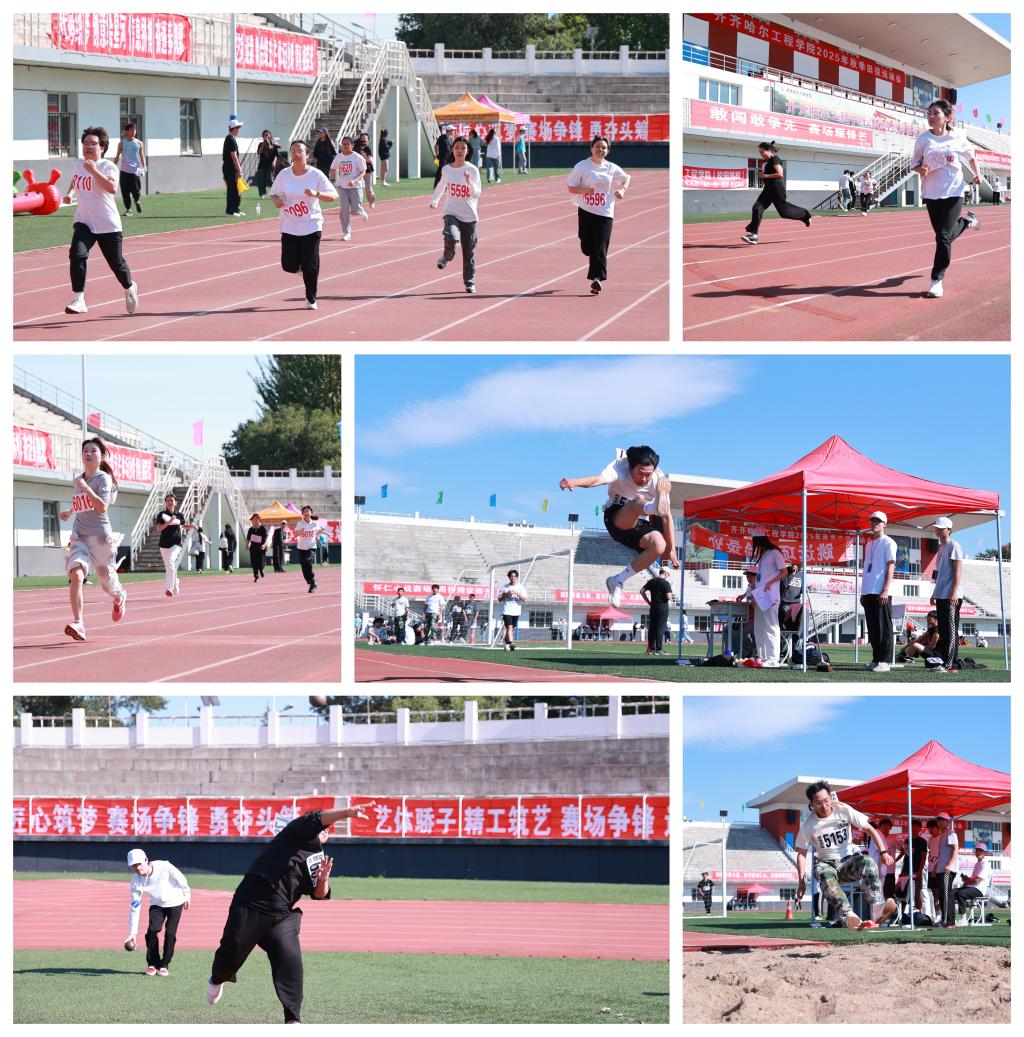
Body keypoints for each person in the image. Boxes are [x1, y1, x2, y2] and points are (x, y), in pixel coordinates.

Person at [208, 803, 375, 1022]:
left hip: (282, 914)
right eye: (324, 826)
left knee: (290, 959)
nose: (326, 830)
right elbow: (317, 818)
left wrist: (323, 880)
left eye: (328, 830)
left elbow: (319, 894)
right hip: (251, 903)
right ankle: (217, 978)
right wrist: (346, 813)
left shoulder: (319, 857)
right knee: (231, 954)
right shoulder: (294, 833)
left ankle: (292, 1018)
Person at [560, 445, 676, 606]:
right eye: (640, 474)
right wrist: (575, 482)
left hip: (637, 523)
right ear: (630, 467)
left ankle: (618, 580)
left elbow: (667, 517)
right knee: (637, 501)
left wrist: (672, 549)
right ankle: (653, 508)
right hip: (615, 517)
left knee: (659, 545)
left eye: (648, 475)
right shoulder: (620, 468)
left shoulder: (658, 480)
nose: (644, 479)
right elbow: (598, 480)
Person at [794, 780, 897, 930]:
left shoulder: (843, 809)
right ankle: (848, 915)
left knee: (868, 862)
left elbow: (870, 829)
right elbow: (801, 854)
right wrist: (801, 882)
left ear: (830, 797)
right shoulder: (809, 825)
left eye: (826, 801)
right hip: (828, 864)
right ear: (812, 804)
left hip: (849, 861)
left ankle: (877, 908)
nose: (824, 806)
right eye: (818, 803)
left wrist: (883, 852)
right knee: (820, 870)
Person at [62, 126, 139, 316]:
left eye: (93, 144)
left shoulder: (108, 166)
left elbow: (112, 188)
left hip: (107, 224)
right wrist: (70, 193)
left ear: (102, 148)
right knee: (77, 254)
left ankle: (129, 287)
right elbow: (76, 179)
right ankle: (79, 298)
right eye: (85, 143)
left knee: (116, 263)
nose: (88, 146)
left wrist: (93, 170)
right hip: (84, 221)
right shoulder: (80, 164)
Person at [910, 99, 982, 298]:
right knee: (944, 236)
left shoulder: (957, 136)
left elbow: (971, 156)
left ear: (947, 117)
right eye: (929, 113)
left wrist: (977, 174)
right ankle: (967, 222)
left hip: (954, 191)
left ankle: (936, 280)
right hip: (932, 193)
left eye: (936, 113)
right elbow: (914, 163)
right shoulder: (923, 139)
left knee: (942, 236)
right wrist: (920, 169)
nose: (931, 116)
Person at [59, 437, 128, 641]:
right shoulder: (79, 479)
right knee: (76, 575)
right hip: (79, 536)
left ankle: (119, 597)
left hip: (100, 538)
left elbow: (101, 507)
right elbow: (82, 503)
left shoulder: (103, 479)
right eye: (85, 451)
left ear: (102, 456)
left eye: (93, 451)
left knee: (108, 585)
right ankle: (79, 623)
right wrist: (70, 512)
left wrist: (86, 488)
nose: (88, 453)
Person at [269, 140, 338, 310]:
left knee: (310, 264)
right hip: (289, 225)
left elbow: (333, 195)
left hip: (311, 224)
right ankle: (301, 269)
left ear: (307, 154)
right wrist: (277, 201)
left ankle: (311, 298)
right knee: (288, 265)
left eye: (299, 151)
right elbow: (273, 193)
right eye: (293, 151)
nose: (295, 154)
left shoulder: (316, 175)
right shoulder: (284, 174)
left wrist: (316, 193)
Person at [566, 136, 631, 294]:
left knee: (600, 246)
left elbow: (626, 178)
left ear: (608, 150)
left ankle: (597, 279)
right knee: (586, 245)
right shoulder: (582, 166)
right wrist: (585, 191)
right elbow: (571, 188)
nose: (600, 150)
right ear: (591, 148)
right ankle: (590, 251)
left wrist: (623, 190)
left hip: (605, 212)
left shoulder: (611, 167)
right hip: (586, 210)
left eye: (604, 148)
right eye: (597, 147)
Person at [126, 847, 191, 977]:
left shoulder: (164, 866)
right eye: (134, 866)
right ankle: (152, 963)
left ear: (146, 860)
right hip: (156, 905)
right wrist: (132, 933)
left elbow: (181, 878)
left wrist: (187, 896)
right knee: (152, 931)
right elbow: (135, 906)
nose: (137, 868)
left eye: (139, 864)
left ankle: (164, 964)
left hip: (175, 902)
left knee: (170, 934)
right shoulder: (136, 882)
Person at [431, 135, 482, 295]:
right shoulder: (447, 169)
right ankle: (447, 256)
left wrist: (469, 182)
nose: (460, 150)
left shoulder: (472, 170)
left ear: (467, 151)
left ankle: (469, 282)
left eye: (463, 148)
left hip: (469, 216)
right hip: (451, 211)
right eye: (457, 147)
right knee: (451, 237)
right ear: (452, 149)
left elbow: (476, 194)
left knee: (469, 252)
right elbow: (441, 185)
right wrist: (435, 200)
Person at [740, 140, 811, 244]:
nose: (761, 154)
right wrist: (763, 177)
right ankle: (753, 235)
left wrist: (765, 175)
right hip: (768, 189)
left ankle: (805, 215)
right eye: (759, 152)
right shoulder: (766, 162)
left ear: (769, 150)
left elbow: (780, 174)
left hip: (777, 188)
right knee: (757, 208)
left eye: (762, 152)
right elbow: (768, 175)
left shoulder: (775, 159)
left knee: (784, 212)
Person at [860, 510, 897, 672]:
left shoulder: (889, 542)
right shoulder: (869, 544)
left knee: (884, 628)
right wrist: (863, 592)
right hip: (868, 590)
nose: (874, 524)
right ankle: (876, 659)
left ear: (884, 524)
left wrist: (885, 590)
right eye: (872, 521)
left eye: (878, 521)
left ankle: (885, 661)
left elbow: (891, 566)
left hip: (881, 590)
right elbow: (867, 570)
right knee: (873, 628)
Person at [929, 516, 964, 671]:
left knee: (950, 631)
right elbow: (940, 574)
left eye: (941, 528)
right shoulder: (941, 548)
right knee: (943, 631)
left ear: (949, 530)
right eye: (937, 527)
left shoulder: (954, 545)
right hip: (941, 594)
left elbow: (958, 571)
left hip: (951, 595)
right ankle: (945, 662)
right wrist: (934, 593)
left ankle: (951, 664)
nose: (938, 530)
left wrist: (954, 592)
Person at [750, 529, 787, 666]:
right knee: (759, 627)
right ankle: (762, 657)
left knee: (771, 626)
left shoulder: (775, 553)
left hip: (770, 596)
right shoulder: (764, 554)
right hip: (761, 596)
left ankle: (773, 659)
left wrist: (770, 582)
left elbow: (784, 572)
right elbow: (760, 578)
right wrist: (755, 595)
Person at [328, 135, 368, 242]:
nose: (345, 146)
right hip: (342, 186)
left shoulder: (357, 157)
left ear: (352, 145)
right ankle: (346, 232)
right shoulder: (339, 157)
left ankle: (360, 210)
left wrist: (355, 181)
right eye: (343, 144)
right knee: (344, 209)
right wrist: (332, 175)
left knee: (355, 211)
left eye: (347, 144)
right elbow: (332, 168)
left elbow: (363, 172)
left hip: (355, 186)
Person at [156, 493, 194, 598]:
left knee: (170, 562)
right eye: (167, 500)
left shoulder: (179, 515)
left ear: (175, 503)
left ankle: (169, 588)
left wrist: (191, 526)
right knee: (169, 566)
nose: (169, 502)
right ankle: (176, 582)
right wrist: (169, 522)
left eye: (171, 500)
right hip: (163, 545)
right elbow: (158, 529)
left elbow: (182, 525)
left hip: (176, 544)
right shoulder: (161, 514)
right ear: (165, 503)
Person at [929, 811, 959, 927]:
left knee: (946, 895)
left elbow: (955, 850)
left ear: (948, 822)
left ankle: (948, 922)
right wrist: (935, 868)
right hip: (941, 869)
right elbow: (941, 854)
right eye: (938, 820)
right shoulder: (943, 835)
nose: (940, 822)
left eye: (942, 820)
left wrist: (949, 865)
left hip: (947, 869)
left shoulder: (951, 833)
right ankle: (947, 921)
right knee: (943, 895)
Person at [113, 121, 146, 216]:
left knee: (136, 190)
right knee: (125, 191)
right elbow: (117, 156)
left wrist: (144, 167)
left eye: (134, 130)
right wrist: (112, 167)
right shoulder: (121, 143)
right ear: (126, 131)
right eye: (131, 130)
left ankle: (137, 201)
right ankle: (128, 210)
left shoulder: (139, 143)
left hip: (135, 171)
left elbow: (142, 156)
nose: (133, 131)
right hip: (124, 171)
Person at [953, 843, 993, 917]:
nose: (978, 852)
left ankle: (963, 918)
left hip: (979, 890)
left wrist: (967, 881)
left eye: (981, 851)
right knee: (950, 893)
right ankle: (949, 917)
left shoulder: (985, 864)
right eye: (977, 850)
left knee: (961, 893)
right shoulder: (977, 864)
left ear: (985, 853)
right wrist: (967, 879)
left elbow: (977, 881)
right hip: (973, 887)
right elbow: (974, 879)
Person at [640, 567, 672, 655]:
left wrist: (648, 602)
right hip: (662, 607)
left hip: (653, 607)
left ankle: (651, 649)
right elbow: (669, 597)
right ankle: (659, 649)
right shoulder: (665, 583)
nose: (667, 576)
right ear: (665, 573)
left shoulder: (652, 581)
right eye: (668, 575)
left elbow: (642, 591)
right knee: (660, 628)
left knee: (652, 628)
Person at [867, 818, 900, 902]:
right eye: (885, 828)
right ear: (880, 826)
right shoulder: (878, 834)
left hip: (878, 870)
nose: (887, 831)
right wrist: (879, 870)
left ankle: (878, 909)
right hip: (878, 870)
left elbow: (881, 854)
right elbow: (881, 854)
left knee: (877, 894)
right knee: (877, 894)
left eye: (888, 829)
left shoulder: (878, 835)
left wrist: (879, 870)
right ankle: (878, 909)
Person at [293, 506, 323, 593]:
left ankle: (313, 581)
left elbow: (319, 532)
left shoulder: (315, 524)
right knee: (303, 566)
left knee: (307, 561)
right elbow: (295, 534)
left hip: (311, 547)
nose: (306, 513)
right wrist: (299, 532)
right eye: (304, 511)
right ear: (302, 514)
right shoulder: (300, 523)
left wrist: (318, 537)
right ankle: (310, 581)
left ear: (311, 513)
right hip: (301, 547)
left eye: (308, 511)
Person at [498, 569, 527, 651]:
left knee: (511, 629)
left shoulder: (520, 587)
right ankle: (511, 644)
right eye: (511, 576)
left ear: (517, 577)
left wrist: (517, 593)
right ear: (509, 577)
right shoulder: (505, 587)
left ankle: (507, 644)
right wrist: (506, 594)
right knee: (509, 627)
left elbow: (525, 599)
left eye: (514, 576)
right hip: (507, 610)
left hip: (516, 611)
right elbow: (500, 599)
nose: (513, 578)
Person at [223, 117, 245, 217]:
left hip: (231, 168)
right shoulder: (230, 140)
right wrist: (239, 169)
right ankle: (230, 211)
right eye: (238, 128)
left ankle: (236, 209)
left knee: (236, 189)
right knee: (232, 189)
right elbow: (234, 156)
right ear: (234, 128)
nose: (239, 130)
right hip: (229, 168)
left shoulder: (230, 139)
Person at [255, 129, 280, 213]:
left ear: (270, 136)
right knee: (261, 179)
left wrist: (274, 161)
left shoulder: (274, 143)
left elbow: (276, 154)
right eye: (265, 135)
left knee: (270, 179)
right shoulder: (260, 144)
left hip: (270, 164)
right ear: (263, 136)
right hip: (262, 164)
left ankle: (274, 193)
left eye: (268, 135)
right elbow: (259, 153)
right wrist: (263, 143)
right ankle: (262, 194)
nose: (267, 136)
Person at [246, 513, 269, 582]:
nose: (255, 521)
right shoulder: (251, 529)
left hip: (261, 548)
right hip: (253, 548)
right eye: (254, 519)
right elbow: (248, 539)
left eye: (257, 519)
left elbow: (266, 537)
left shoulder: (262, 528)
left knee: (261, 562)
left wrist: (264, 545)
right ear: (252, 521)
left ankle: (261, 570)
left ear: (259, 520)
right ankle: (256, 576)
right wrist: (247, 544)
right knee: (254, 562)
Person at [356, 132, 376, 209]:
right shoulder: (356, 147)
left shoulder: (367, 148)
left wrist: (363, 158)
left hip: (368, 170)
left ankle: (371, 201)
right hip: (358, 170)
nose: (364, 140)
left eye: (365, 139)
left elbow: (370, 160)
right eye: (363, 138)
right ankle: (358, 205)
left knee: (368, 188)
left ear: (368, 140)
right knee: (358, 188)